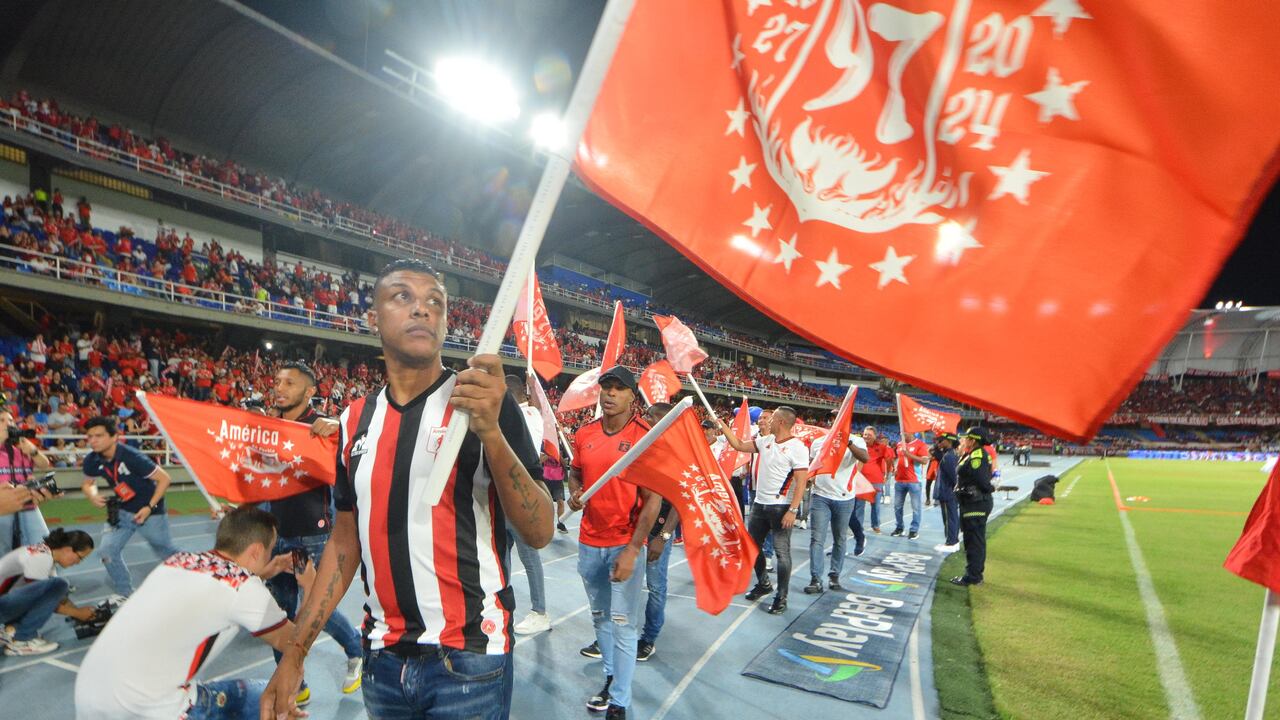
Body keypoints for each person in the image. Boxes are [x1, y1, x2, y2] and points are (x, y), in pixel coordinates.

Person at [260, 259, 552, 720]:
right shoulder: (354, 420)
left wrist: (492, 433)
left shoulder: (479, 401)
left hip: (470, 655)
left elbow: (539, 530)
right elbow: (344, 541)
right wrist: (296, 651)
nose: (422, 309)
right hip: (382, 658)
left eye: (435, 301)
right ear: (373, 319)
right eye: (403, 297)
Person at [75, 506, 308, 719]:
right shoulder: (244, 587)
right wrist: (308, 587)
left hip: (89, 697)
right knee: (266, 699)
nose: (270, 555)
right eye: (269, 550)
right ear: (257, 550)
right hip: (151, 709)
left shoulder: (179, 561)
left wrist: (267, 570)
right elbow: (295, 642)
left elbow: (223, 586)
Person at [260, 362, 363, 706]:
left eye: (289, 383)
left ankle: (355, 650)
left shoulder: (322, 427)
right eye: (277, 381)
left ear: (308, 392)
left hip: (310, 535)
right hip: (277, 533)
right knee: (279, 613)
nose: (279, 387)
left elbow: (360, 439)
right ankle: (292, 682)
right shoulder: (269, 428)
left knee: (315, 606)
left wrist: (338, 427)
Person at [567, 366, 663, 719]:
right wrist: (576, 491)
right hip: (589, 542)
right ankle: (610, 678)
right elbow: (576, 471)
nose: (609, 394)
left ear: (632, 397)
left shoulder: (644, 436)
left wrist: (635, 548)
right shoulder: (585, 433)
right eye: (605, 388)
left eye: (618, 389)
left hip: (624, 543)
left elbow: (653, 498)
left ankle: (620, 701)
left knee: (623, 624)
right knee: (600, 617)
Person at [719, 405, 808, 615]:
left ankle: (781, 597)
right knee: (753, 549)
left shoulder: (798, 447)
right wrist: (723, 427)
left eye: (772, 418)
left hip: (781, 507)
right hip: (759, 504)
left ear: (782, 422)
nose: (767, 421)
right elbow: (739, 445)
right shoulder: (765, 441)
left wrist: (793, 510)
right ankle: (764, 583)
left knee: (781, 553)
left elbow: (801, 482)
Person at [80, 416, 180, 597]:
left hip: (150, 513)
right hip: (122, 512)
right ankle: (126, 594)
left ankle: (195, 575)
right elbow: (87, 483)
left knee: (165, 549)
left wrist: (149, 507)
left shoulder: (132, 457)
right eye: (90, 436)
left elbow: (164, 479)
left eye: (99, 436)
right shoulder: (92, 460)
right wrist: (92, 494)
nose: (93, 441)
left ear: (114, 437)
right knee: (107, 552)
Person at [0, 527, 96, 656]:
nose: (78, 563)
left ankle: (10, 630)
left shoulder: (44, 552)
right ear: (68, 549)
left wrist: (80, 614)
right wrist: (78, 613)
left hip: (5, 602)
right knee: (60, 584)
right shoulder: (42, 559)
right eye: (80, 557)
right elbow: (39, 600)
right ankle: (22, 641)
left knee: (57, 586)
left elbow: (58, 597)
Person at [505, 374, 550, 637]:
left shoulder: (518, 417)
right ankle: (507, 604)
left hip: (518, 493)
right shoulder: (533, 413)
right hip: (517, 493)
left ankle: (540, 611)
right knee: (503, 554)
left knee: (527, 557)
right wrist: (532, 387)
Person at [805, 428, 871, 594]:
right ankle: (815, 579)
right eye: (831, 419)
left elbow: (865, 458)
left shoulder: (857, 441)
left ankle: (834, 576)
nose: (833, 423)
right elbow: (812, 465)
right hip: (820, 495)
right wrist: (809, 478)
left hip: (844, 497)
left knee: (839, 539)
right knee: (816, 539)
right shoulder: (819, 442)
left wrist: (847, 443)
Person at [639, 402, 680, 661]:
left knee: (655, 586)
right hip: (633, 528)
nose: (644, 420)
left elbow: (679, 502)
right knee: (622, 584)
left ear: (663, 423)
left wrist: (663, 538)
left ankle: (649, 638)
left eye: (650, 417)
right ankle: (611, 634)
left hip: (657, 532)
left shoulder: (675, 457)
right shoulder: (640, 448)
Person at [0, 409, 53, 550]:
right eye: (2, 420)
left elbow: (44, 464)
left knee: (43, 548)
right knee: (5, 555)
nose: (8, 424)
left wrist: (33, 450)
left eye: (11, 420)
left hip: (28, 506)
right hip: (3, 509)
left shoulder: (20, 449)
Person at [951, 427, 995, 586]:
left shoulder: (978, 455)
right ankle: (974, 575)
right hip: (972, 503)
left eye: (967, 438)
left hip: (975, 503)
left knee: (974, 542)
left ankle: (973, 576)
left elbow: (982, 480)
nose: (964, 440)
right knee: (973, 541)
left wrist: (989, 488)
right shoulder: (973, 454)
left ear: (973, 440)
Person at [892, 432, 929, 539]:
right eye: (901, 434)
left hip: (914, 481)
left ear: (911, 433)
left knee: (916, 507)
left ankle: (914, 530)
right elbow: (899, 460)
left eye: (904, 434)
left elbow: (924, 461)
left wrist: (909, 454)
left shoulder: (920, 444)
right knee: (897, 506)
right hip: (900, 480)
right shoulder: (899, 444)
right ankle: (899, 528)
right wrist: (896, 469)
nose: (902, 436)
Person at [854, 427, 891, 536]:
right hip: (861, 480)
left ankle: (876, 525)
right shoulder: (858, 446)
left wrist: (887, 474)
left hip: (876, 480)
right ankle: (858, 527)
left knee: (875, 505)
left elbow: (889, 459)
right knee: (859, 505)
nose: (866, 437)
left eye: (869, 435)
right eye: (865, 434)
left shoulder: (882, 447)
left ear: (875, 436)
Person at [932, 433, 962, 553]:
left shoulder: (949, 456)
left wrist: (955, 488)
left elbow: (953, 476)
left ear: (949, 441)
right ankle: (953, 540)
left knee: (949, 518)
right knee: (951, 516)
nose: (939, 442)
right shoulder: (949, 454)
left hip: (948, 491)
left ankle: (951, 542)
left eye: (941, 440)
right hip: (949, 491)